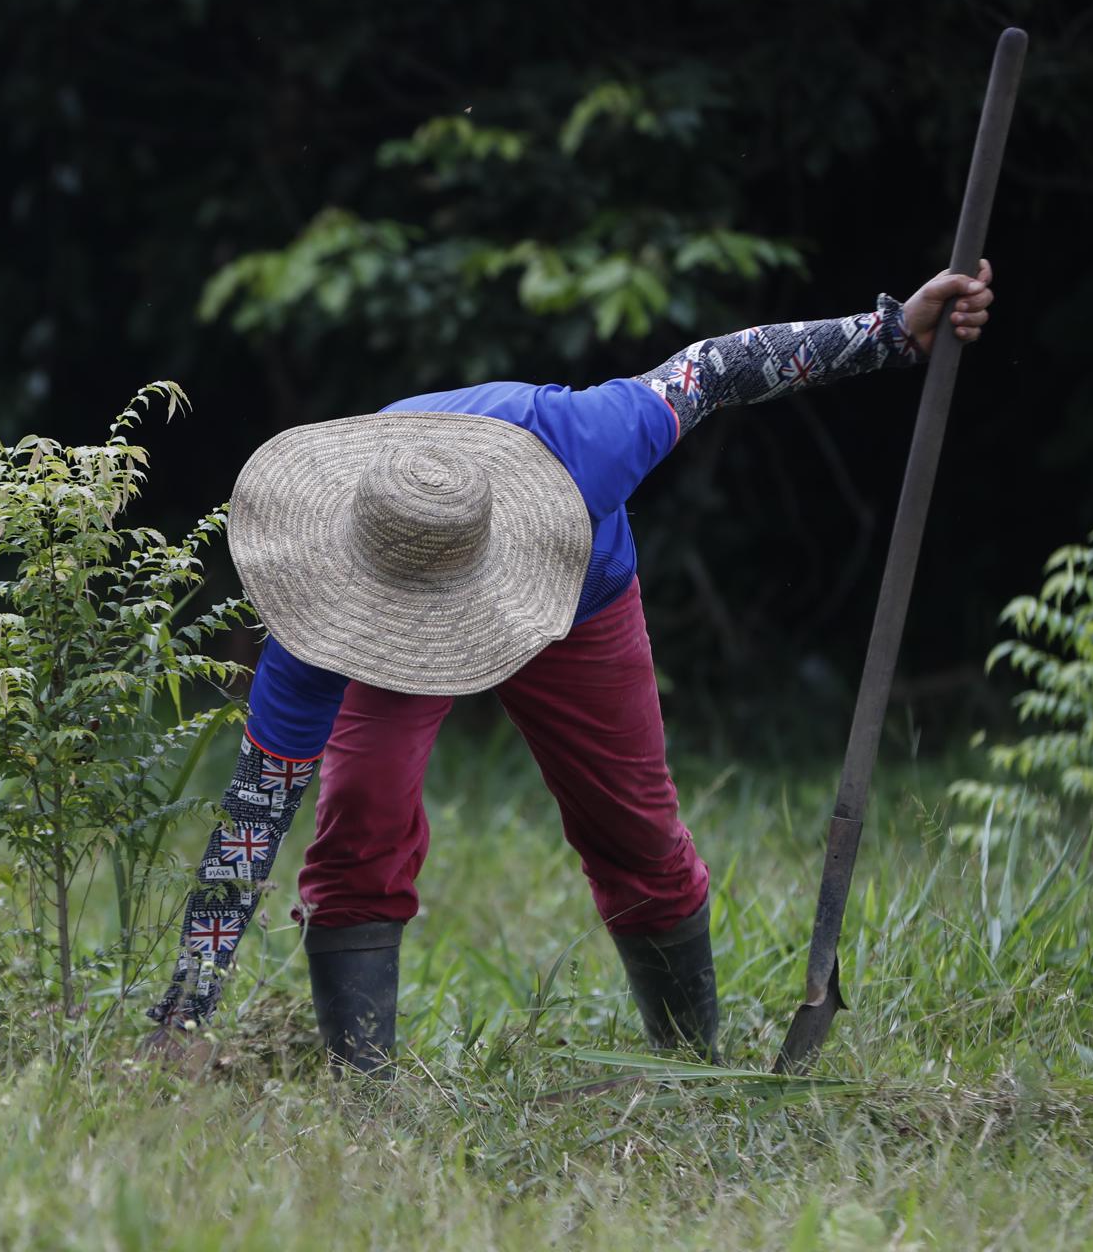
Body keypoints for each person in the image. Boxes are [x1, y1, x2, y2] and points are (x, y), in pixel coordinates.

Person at [146, 261, 997, 1075]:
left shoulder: (581, 445)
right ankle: (359, 1088)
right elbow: (251, 823)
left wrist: (892, 332)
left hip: (578, 599)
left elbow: (711, 370)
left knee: (632, 829)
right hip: (386, 612)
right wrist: (182, 1016)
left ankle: (691, 1064)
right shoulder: (324, 606)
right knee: (360, 812)